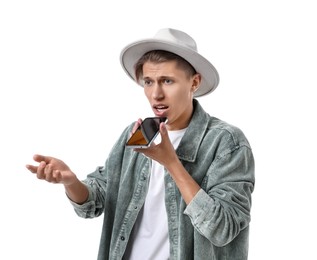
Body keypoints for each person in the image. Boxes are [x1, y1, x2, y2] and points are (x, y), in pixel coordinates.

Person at [26, 28, 255, 260]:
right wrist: (71, 181)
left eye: (167, 81)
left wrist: (172, 164)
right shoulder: (141, 132)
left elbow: (223, 228)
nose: (156, 94)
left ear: (194, 82)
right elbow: (97, 200)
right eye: (148, 81)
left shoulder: (226, 142)